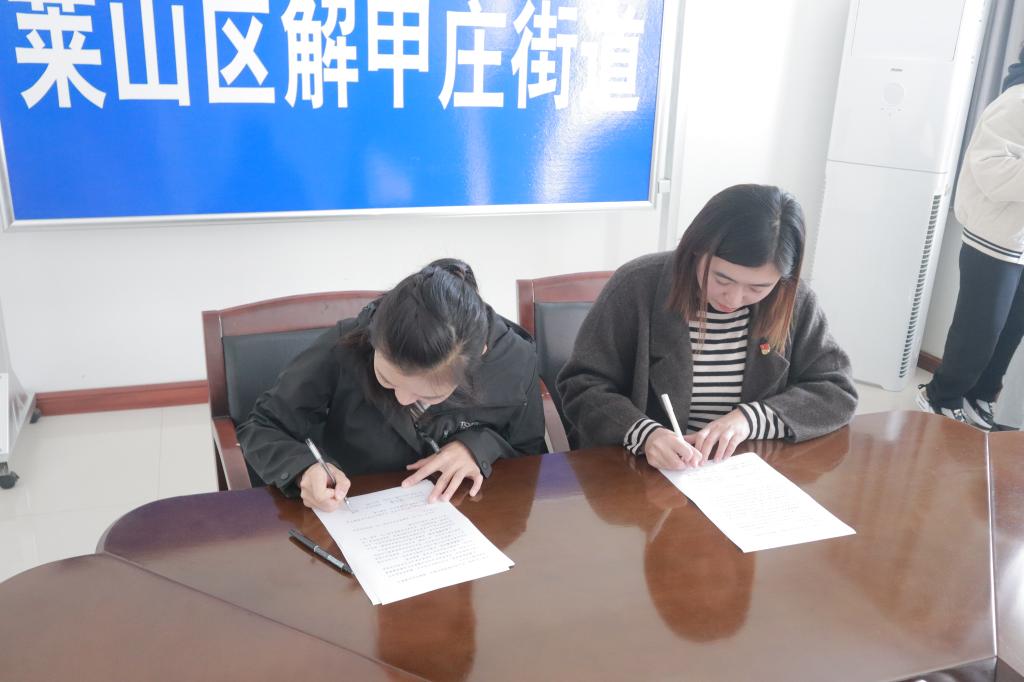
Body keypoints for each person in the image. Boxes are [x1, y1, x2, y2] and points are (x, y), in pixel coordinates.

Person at [557, 183, 857, 469]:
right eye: (722, 279)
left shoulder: (793, 300)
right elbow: (581, 386)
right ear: (696, 250)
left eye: (757, 288)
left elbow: (837, 390)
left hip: (746, 473)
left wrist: (751, 419)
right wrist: (645, 434)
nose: (734, 298)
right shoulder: (636, 286)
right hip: (641, 474)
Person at [238, 258, 546, 511]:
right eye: (386, 379)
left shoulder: (516, 362)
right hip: (357, 514)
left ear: (478, 357)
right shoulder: (346, 345)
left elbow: (529, 454)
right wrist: (303, 469)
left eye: (428, 395)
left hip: (468, 519)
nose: (401, 399)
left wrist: (479, 447)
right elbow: (263, 425)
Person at [917, 48, 1024, 430]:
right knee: (979, 331)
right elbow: (989, 168)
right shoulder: (1017, 101)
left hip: (1019, 240)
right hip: (994, 236)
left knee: (1009, 333)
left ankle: (979, 398)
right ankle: (940, 397)